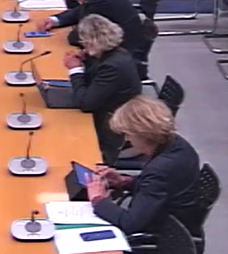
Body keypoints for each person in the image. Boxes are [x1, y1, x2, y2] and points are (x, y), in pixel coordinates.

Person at [86, 97, 201, 235]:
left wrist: (98, 200)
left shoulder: (160, 169)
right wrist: (125, 181)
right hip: (175, 217)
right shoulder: (178, 144)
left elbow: (129, 223)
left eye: (128, 134)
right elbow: (157, 188)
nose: (127, 139)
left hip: (162, 231)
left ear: (142, 134)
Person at [37, 0, 147, 76]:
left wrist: (61, 34)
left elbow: (77, 37)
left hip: (120, 61)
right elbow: (81, 10)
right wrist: (55, 20)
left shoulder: (101, 0)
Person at [64, 15, 141, 164]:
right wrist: (85, 58)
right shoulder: (115, 53)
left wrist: (75, 70)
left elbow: (86, 104)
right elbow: (93, 77)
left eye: (85, 43)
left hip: (112, 130)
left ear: (92, 42)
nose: (82, 46)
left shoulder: (112, 66)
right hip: (107, 114)